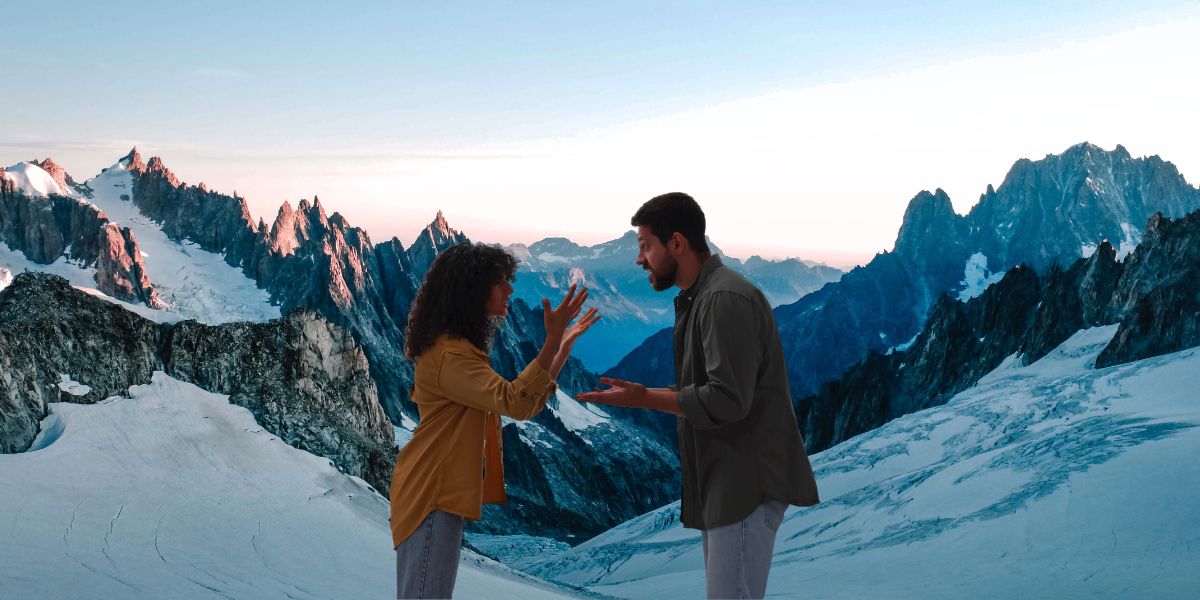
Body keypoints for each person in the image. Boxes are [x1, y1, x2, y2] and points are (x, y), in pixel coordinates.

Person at [577, 192, 819, 599]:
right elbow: (709, 388)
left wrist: (646, 399)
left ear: (677, 243)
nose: (639, 259)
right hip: (729, 481)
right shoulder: (707, 296)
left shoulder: (723, 299)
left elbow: (728, 399)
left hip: (744, 484)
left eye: (645, 246)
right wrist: (641, 394)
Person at [389, 243, 599, 599]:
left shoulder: (454, 348)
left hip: (433, 490)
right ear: (473, 290)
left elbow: (523, 404)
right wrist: (552, 341)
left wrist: (561, 347)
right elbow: (514, 401)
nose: (510, 290)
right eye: (500, 282)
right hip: (432, 493)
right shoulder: (451, 355)